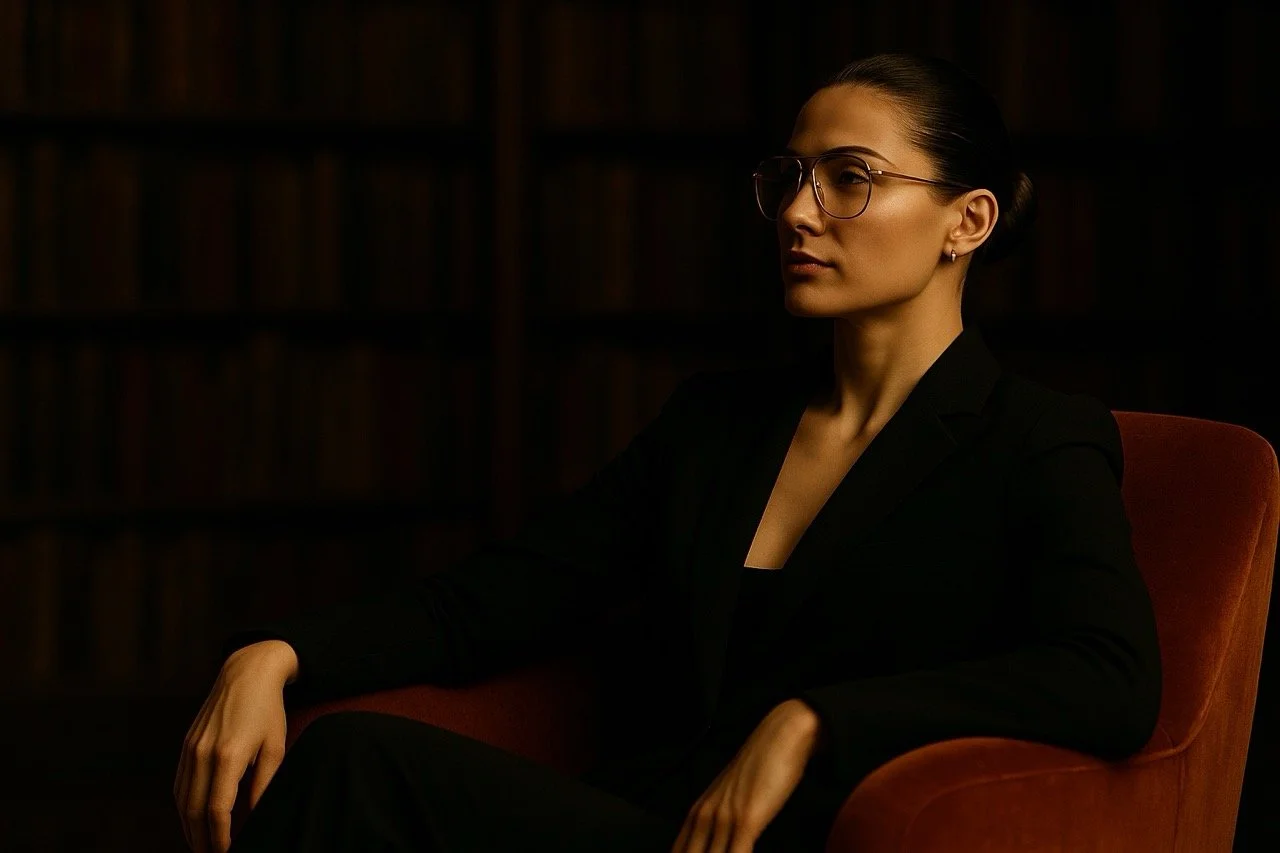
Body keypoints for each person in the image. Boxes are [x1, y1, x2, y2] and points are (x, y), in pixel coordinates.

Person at [173, 52, 1163, 853]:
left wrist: (816, 720)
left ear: (967, 220)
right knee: (351, 756)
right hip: (644, 819)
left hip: (815, 837)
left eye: (848, 180)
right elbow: (503, 594)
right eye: (787, 178)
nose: (796, 213)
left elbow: (1107, 677)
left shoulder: (1033, 435)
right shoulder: (718, 424)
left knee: (356, 766)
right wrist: (278, 652)